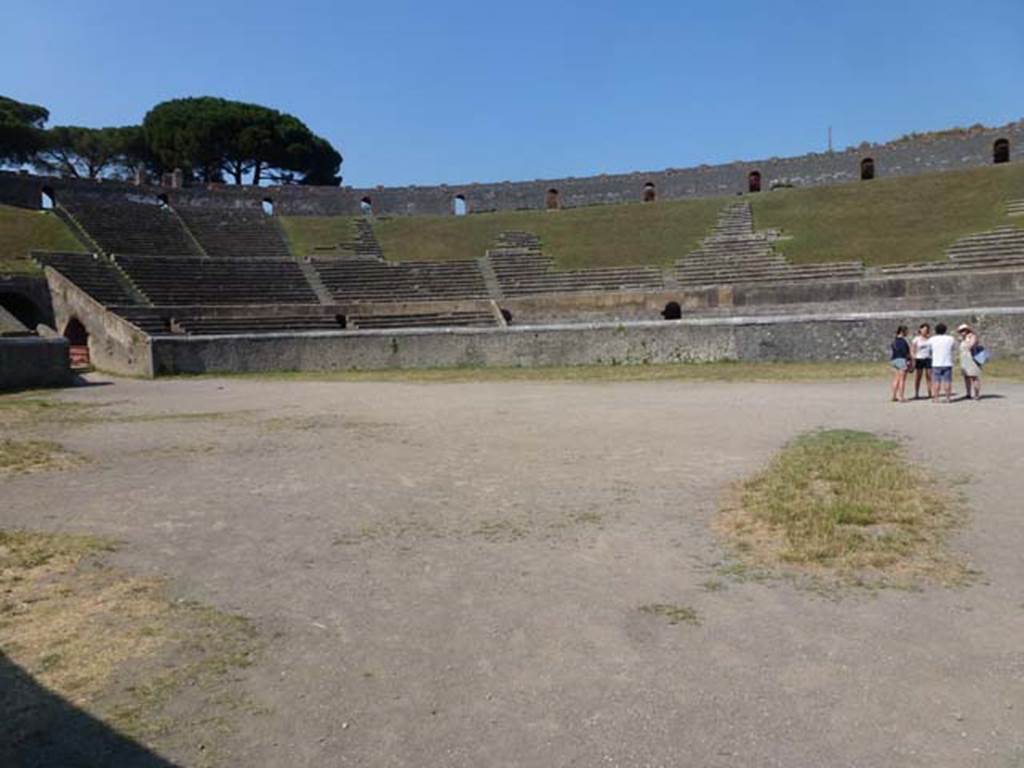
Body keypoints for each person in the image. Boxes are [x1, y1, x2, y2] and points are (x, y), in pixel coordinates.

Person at [929, 322, 956, 403]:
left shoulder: (932, 339)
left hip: (936, 363)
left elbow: (929, 350)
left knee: (936, 381)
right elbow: (953, 348)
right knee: (947, 381)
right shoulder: (950, 338)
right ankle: (948, 398)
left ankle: (936, 398)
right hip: (947, 362)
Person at [957, 323, 982, 401]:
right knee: (966, 377)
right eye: (961, 331)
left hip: (972, 360)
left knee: (974, 377)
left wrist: (967, 339)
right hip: (964, 360)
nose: (962, 332)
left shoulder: (972, 336)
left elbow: (971, 346)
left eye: (963, 330)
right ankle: (968, 393)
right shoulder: (962, 338)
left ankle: (976, 394)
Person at [889, 325, 911, 402]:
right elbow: (906, 352)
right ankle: (901, 396)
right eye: (906, 331)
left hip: (894, 359)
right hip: (901, 360)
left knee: (896, 379)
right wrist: (908, 360)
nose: (907, 333)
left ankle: (894, 396)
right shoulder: (903, 341)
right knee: (902, 380)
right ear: (902, 332)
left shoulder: (894, 340)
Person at [910, 323, 932, 399]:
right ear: (920, 329)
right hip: (919, 359)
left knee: (929, 376)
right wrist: (913, 359)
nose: (925, 331)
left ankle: (930, 393)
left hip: (928, 358)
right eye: (924, 329)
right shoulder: (916, 339)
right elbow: (912, 350)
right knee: (918, 377)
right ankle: (916, 393)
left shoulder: (930, 339)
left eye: (927, 330)